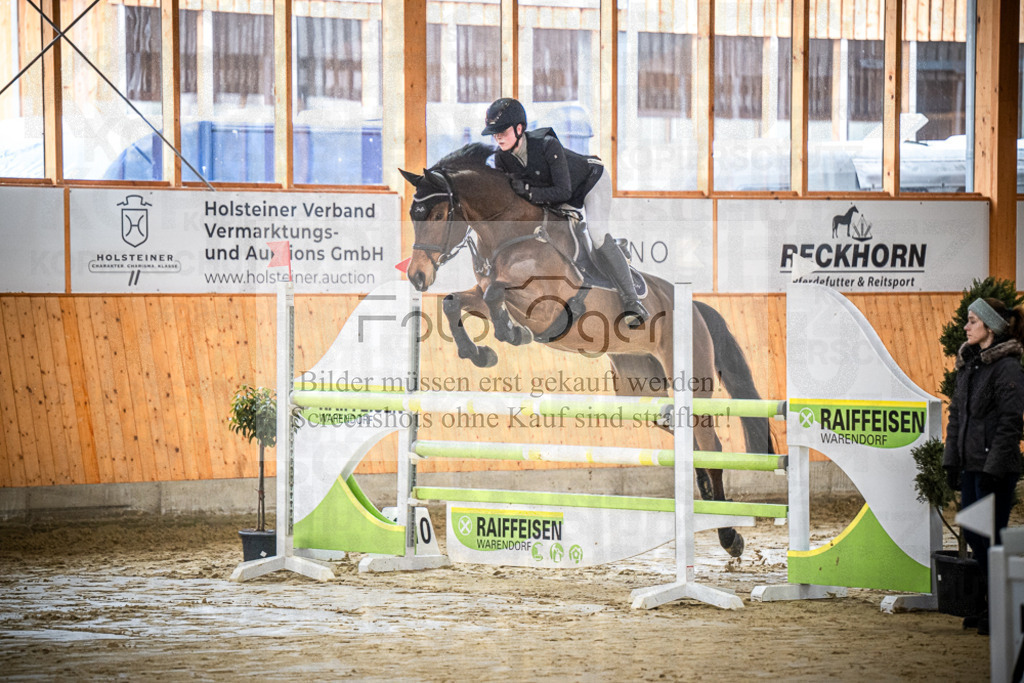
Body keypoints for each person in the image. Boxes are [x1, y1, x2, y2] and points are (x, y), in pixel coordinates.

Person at [480, 97, 649, 328]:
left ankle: (632, 301)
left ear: (519, 128)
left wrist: (529, 192)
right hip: (556, 195)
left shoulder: (547, 144)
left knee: (597, 233)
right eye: (494, 132)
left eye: (502, 131)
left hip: (590, 181)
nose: (497, 136)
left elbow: (563, 190)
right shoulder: (501, 159)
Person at [943, 297, 1024, 635]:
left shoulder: (1007, 369)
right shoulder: (969, 366)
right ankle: (990, 603)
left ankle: (1003, 607)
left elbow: (1011, 421)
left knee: (989, 536)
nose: (966, 326)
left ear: (989, 327)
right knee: (976, 535)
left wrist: (993, 467)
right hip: (971, 464)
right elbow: (957, 416)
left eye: (972, 321)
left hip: (996, 467)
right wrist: (951, 461)